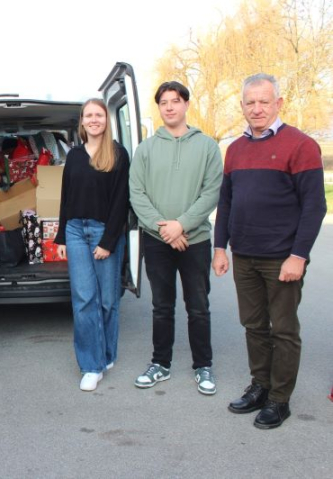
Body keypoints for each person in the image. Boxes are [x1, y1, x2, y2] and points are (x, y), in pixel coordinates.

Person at [213, 73, 326, 428]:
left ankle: (280, 399)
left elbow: (314, 207)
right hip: (245, 255)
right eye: (250, 102)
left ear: (278, 103)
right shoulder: (235, 149)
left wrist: (299, 255)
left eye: (264, 101)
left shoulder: (301, 145)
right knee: (254, 327)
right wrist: (220, 247)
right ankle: (260, 386)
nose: (257, 108)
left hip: (282, 258)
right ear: (242, 106)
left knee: (284, 330)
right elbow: (226, 203)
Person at [129, 81, 223, 395]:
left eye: (176, 101)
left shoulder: (207, 146)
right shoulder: (146, 148)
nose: (170, 107)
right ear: (159, 108)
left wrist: (180, 226)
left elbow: (211, 193)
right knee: (162, 306)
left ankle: (203, 366)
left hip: (194, 240)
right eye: (164, 102)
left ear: (186, 105)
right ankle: (160, 364)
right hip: (157, 241)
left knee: (198, 306)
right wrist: (165, 230)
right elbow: (137, 194)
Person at [54, 99, 130, 392]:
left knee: (108, 300)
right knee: (84, 299)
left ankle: (107, 353)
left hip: (104, 232)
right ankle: (91, 365)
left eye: (99, 115)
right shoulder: (73, 155)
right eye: (89, 115)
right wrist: (61, 236)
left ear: (106, 120)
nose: (94, 119)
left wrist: (108, 241)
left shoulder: (118, 154)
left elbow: (121, 200)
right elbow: (66, 197)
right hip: (75, 230)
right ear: (82, 121)